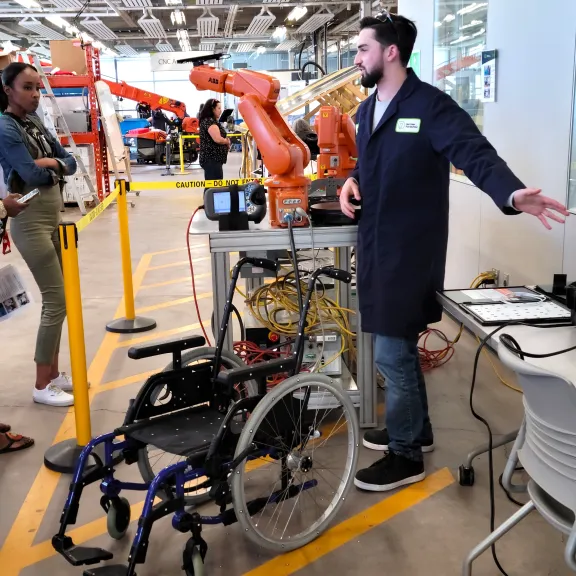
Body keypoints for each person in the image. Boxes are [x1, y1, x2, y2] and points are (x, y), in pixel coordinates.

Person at [340, 12, 569, 492]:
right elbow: (368, 163)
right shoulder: (367, 111)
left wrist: (511, 193)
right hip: (376, 244)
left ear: (390, 52)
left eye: (362, 48)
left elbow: (473, 152)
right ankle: (416, 432)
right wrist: (351, 181)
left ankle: (405, 457)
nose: (356, 57)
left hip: (410, 250)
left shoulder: (430, 106)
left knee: (392, 351)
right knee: (394, 347)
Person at [0, 62, 78, 407]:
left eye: (36, 87)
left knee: (62, 301)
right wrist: (52, 166)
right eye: (27, 88)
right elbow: (30, 175)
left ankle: (54, 374)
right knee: (55, 301)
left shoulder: (34, 122)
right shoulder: (5, 127)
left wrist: (53, 164)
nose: (34, 95)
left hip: (54, 217)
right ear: (8, 90)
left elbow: (70, 161)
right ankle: (40, 384)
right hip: (30, 220)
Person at [198, 98, 230, 181]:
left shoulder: (211, 121)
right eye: (219, 108)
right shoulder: (209, 121)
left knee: (213, 185)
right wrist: (226, 141)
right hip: (211, 159)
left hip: (214, 159)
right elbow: (217, 139)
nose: (220, 110)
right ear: (212, 109)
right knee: (214, 186)